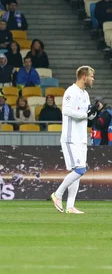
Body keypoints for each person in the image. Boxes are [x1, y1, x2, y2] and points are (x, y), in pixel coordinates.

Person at [51, 66, 96, 215]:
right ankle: (57, 194)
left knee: (78, 172)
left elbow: (87, 114)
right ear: (84, 77)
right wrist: (85, 115)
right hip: (71, 138)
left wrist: (93, 114)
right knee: (80, 170)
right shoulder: (71, 91)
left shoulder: (85, 94)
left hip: (82, 137)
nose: (93, 79)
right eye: (91, 76)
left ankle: (70, 206)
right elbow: (67, 111)